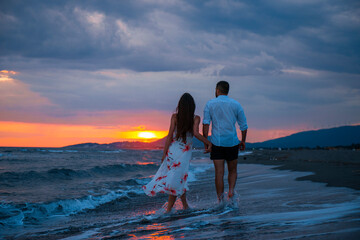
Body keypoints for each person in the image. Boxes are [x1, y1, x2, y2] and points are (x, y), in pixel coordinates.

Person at [143, 93, 212, 213]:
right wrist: (209, 143)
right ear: (192, 106)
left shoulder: (175, 117)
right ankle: (169, 210)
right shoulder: (196, 118)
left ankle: (185, 206)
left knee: (179, 178)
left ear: (180, 105)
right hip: (184, 153)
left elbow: (169, 136)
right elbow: (195, 134)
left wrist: (164, 153)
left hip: (173, 150)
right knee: (177, 179)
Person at [202, 81, 248, 202]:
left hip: (217, 142)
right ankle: (231, 191)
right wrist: (243, 141)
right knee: (232, 170)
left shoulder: (210, 104)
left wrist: (206, 143)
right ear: (227, 90)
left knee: (219, 173)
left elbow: (206, 123)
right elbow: (243, 125)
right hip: (232, 142)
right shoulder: (236, 104)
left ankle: (220, 200)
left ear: (217, 90)